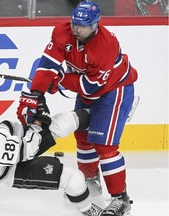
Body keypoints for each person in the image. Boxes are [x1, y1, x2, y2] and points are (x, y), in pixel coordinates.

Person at [16, 1, 138, 216]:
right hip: (88, 90)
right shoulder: (62, 32)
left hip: (113, 91)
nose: (76, 29)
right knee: (83, 139)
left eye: (83, 26)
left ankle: (121, 198)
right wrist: (37, 94)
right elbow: (47, 64)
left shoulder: (105, 45)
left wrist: (62, 80)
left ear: (96, 24)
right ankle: (91, 182)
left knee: (104, 145)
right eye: (74, 24)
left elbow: (92, 86)